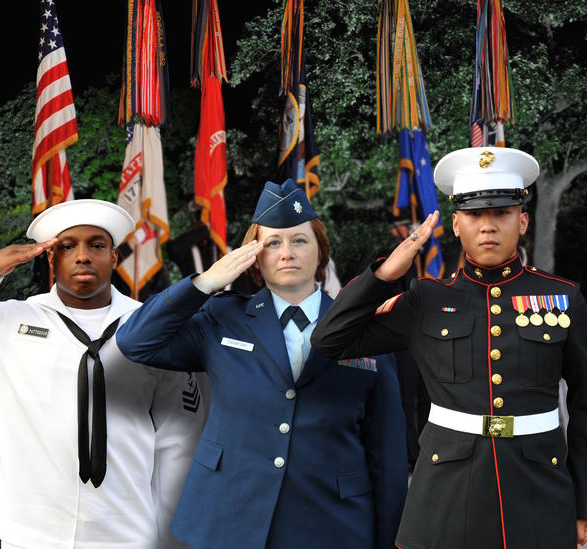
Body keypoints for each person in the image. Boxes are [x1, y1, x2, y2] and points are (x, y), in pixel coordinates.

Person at [312, 147, 587, 549]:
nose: (488, 226)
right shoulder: (426, 299)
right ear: (455, 224)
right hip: (447, 490)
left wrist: (585, 502)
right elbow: (330, 340)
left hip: (540, 487)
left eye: (501, 213)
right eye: (474, 215)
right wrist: (383, 274)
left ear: (522, 221)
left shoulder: (563, 297)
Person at [0, 199, 204, 549]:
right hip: (29, 533)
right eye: (67, 246)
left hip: (127, 531)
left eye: (96, 245)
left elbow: (176, 440)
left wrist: (168, 536)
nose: (82, 256)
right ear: (50, 258)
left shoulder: (152, 326)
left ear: (114, 258)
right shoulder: (7, 321)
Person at [115, 179, 407, 549]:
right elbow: (135, 342)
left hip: (332, 524)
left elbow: (386, 450)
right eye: (272, 243)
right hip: (228, 518)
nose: (287, 253)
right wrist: (202, 284)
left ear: (321, 253)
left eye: (300, 240)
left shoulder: (364, 328)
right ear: (255, 259)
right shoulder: (222, 317)